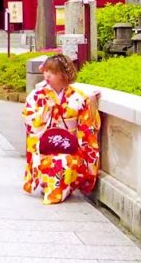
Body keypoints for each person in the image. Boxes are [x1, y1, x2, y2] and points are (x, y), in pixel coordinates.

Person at [22, 53, 101, 204]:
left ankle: (57, 190)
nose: (47, 75)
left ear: (63, 74)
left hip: (70, 145)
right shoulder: (36, 95)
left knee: (66, 161)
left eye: (52, 72)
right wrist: (45, 112)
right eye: (45, 71)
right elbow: (29, 120)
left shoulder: (78, 97)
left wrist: (91, 104)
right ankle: (54, 190)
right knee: (50, 161)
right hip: (45, 143)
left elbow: (87, 129)